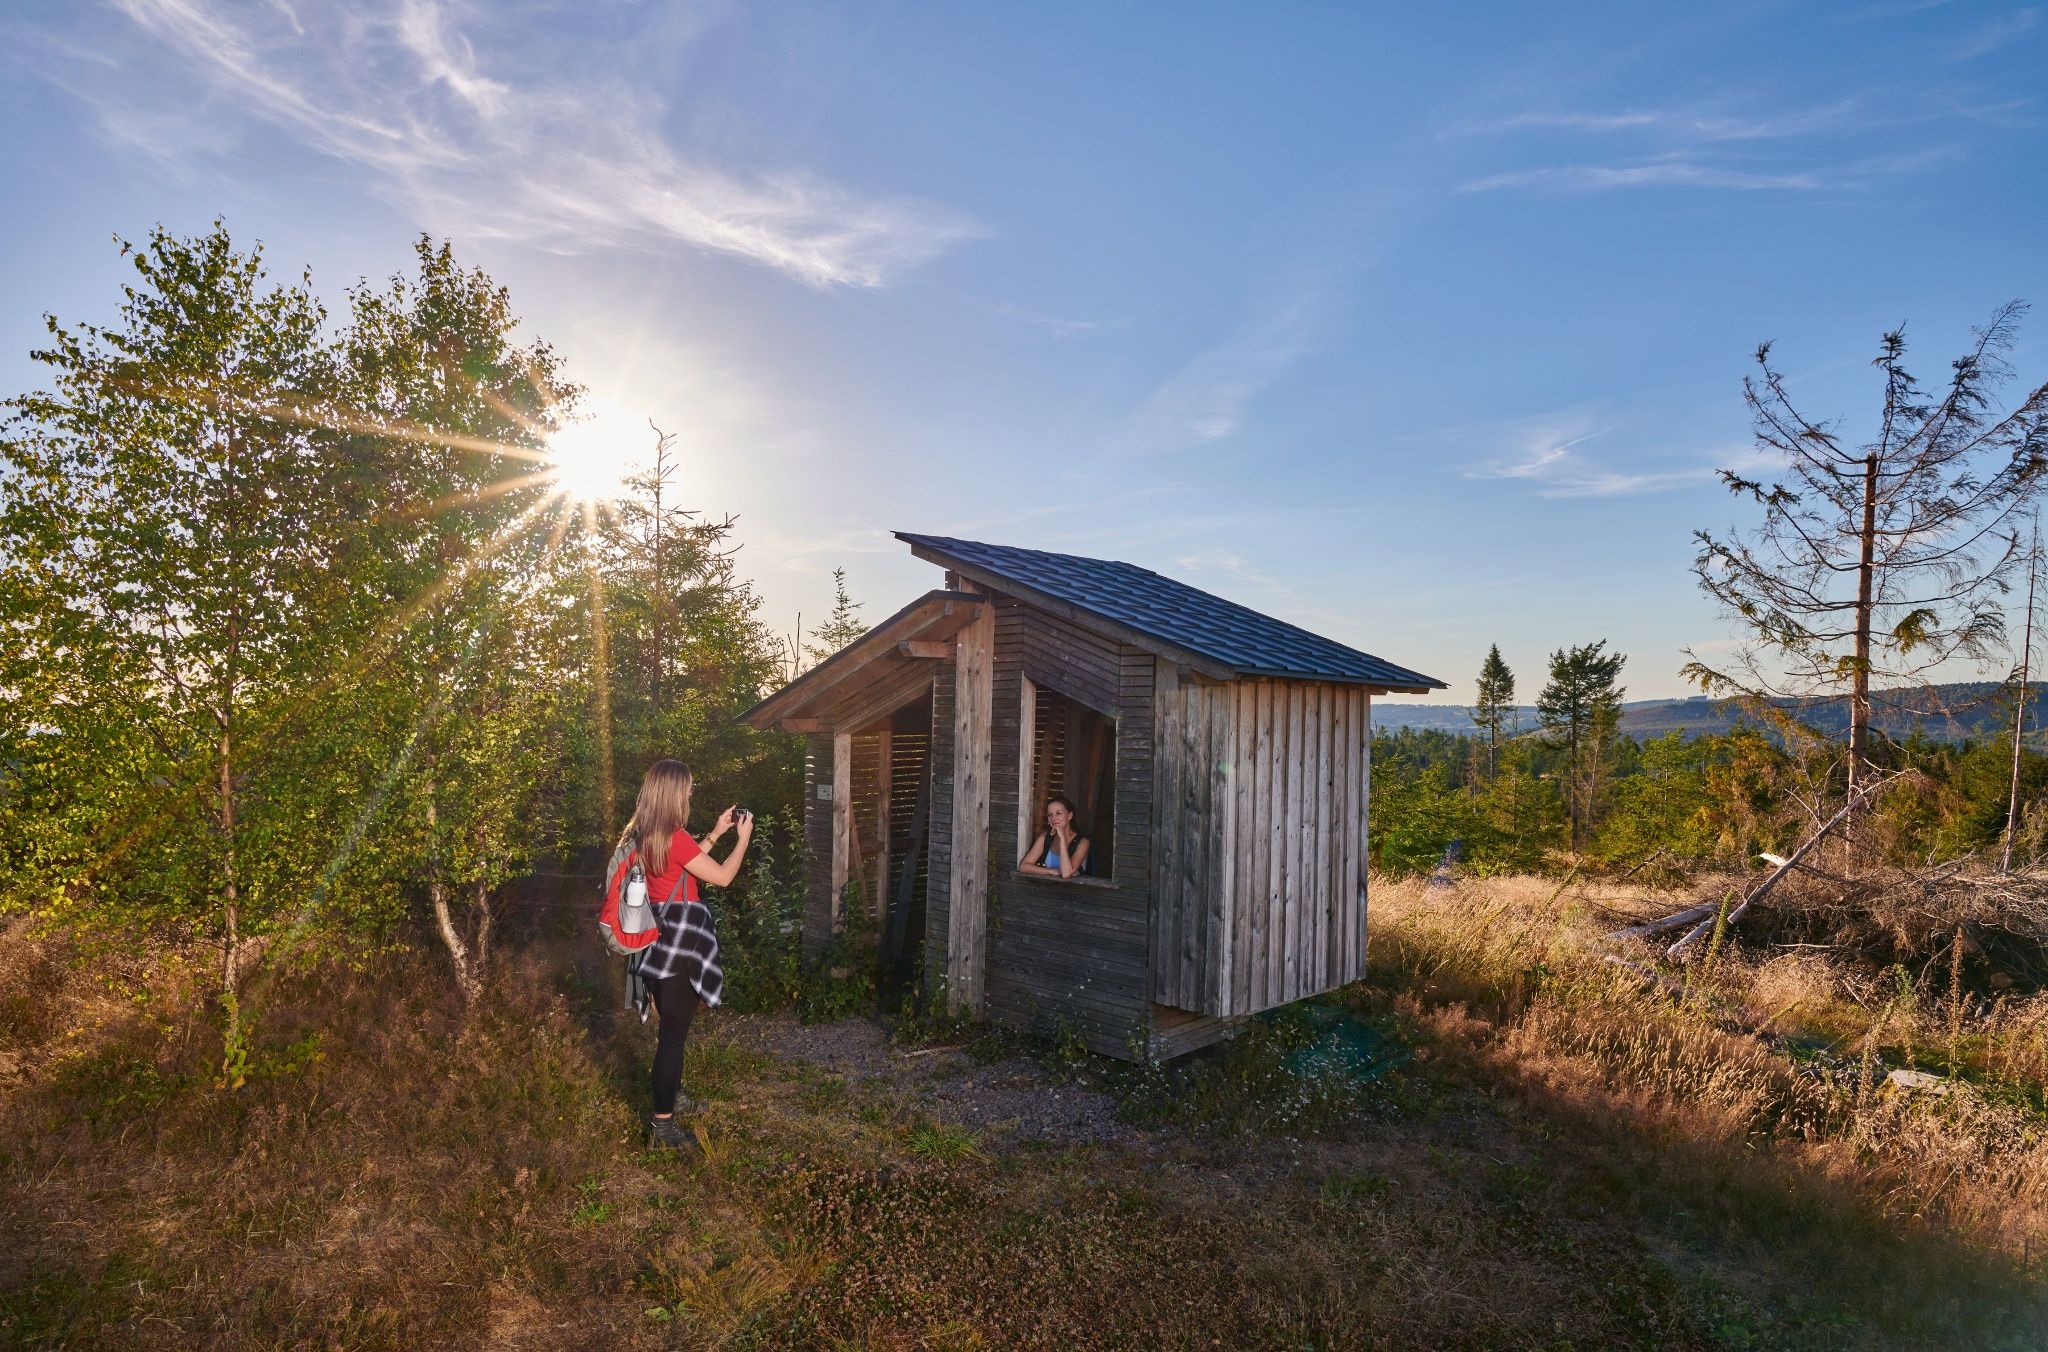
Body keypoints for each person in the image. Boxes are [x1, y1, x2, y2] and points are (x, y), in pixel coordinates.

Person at [618, 759, 753, 1149]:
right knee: (672, 1039)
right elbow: (722, 877)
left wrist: (716, 833)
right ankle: (662, 1127)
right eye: (689, 786)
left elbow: (681, 869)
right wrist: (742, 838)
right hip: (678, 947)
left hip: (654, 943)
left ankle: (672, 1098)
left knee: (672, 1031)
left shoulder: (644, 833)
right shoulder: (674, 838)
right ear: (675, 792)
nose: (692, 792)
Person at [1018, 792, 1091, 879]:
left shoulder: (1083, 842)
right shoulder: (1045, 837)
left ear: (1070, 816)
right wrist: (1052, 871)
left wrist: (1062, 838)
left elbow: (1066, 873)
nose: (1053, 818)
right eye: (1050, 815)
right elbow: (1023, 866)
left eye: (1058, 813)